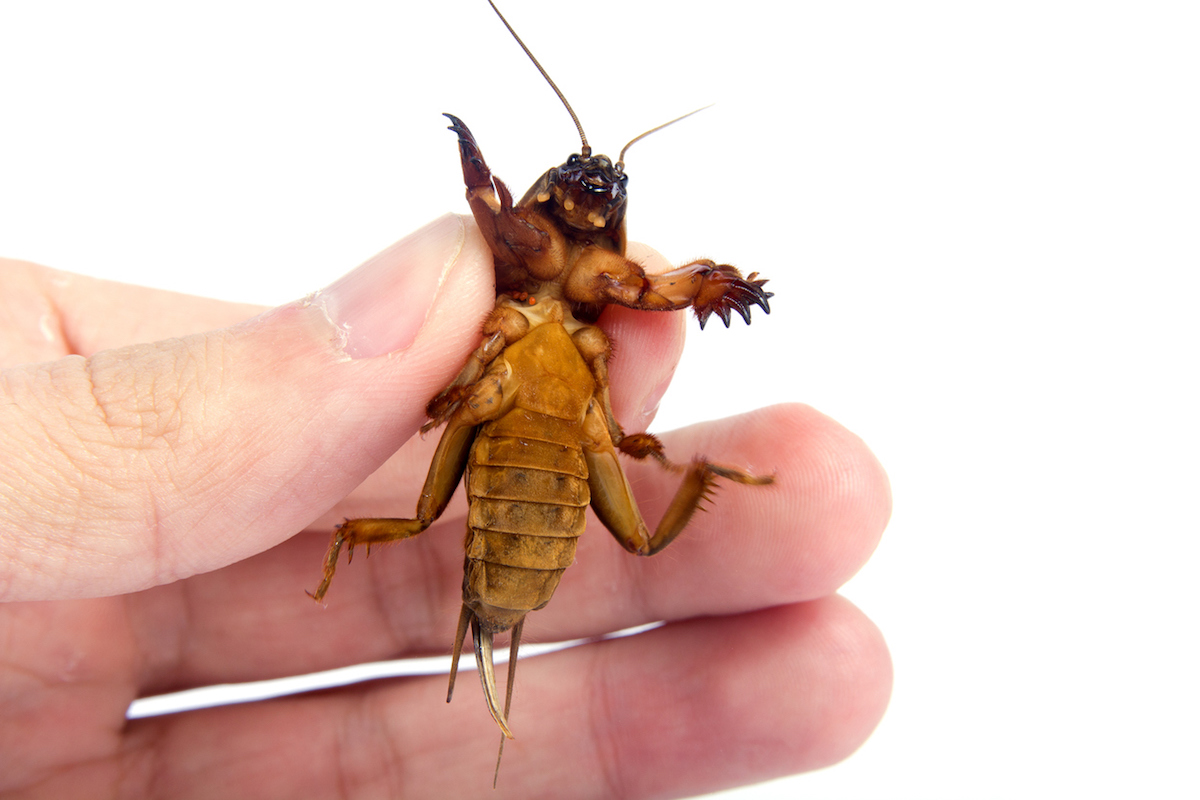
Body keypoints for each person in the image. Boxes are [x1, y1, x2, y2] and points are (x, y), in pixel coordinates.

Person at [0, 214, 892, 798]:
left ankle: (712, 481)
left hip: (554, 457)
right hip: (537, 457)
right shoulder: (531, 323)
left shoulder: (568, 329)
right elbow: (451, 406)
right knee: (483, 514)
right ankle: (373, 543)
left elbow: (611, 422)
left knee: (635, 532)